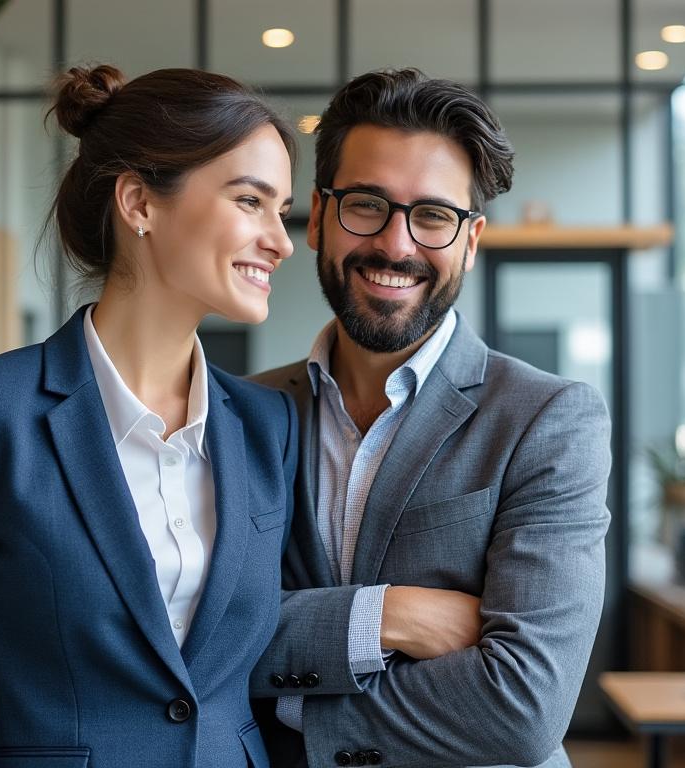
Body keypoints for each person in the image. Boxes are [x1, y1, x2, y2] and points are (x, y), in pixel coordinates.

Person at [0, 64, 299, 768]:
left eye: (281, 209)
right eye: (249, 201)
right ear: (139, 203)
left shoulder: (269, 426)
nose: (282, 240)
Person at [250, 68, 611, 768]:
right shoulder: (244, 411)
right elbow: (192, 639)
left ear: (470, 241)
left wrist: (289, 709)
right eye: (366, 205)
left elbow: (524, 706)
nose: (396, 245)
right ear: (318, 218)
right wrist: (387, 617)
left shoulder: (547, 419)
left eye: (434, 217)